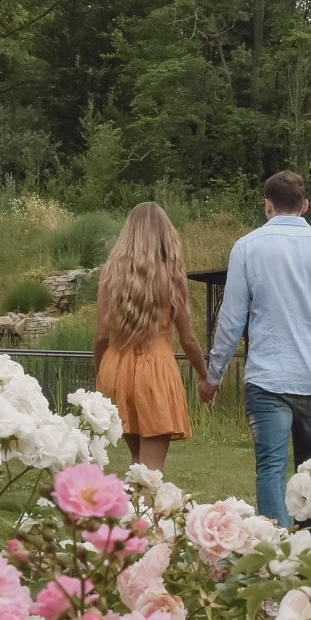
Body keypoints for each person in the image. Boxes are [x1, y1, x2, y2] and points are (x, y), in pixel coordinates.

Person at [202, 170, 311, 532]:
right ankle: (308, 550)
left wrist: (214, 377)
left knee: (271, 468)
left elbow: (231, 319)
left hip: (268, 379)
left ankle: (276, 550)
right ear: (305, 206)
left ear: (267, 205)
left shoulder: (247, 247)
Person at [93, 202, 211, 473]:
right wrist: (206, 376)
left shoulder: (109, 273)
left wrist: (102, 374)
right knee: (150, 473)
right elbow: (188, 339)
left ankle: (130, 512)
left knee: (137, 463)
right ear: (164, 234)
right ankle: (143, 514)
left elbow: (101, 335)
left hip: (116, 368)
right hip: (155, 370)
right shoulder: (171, 275)